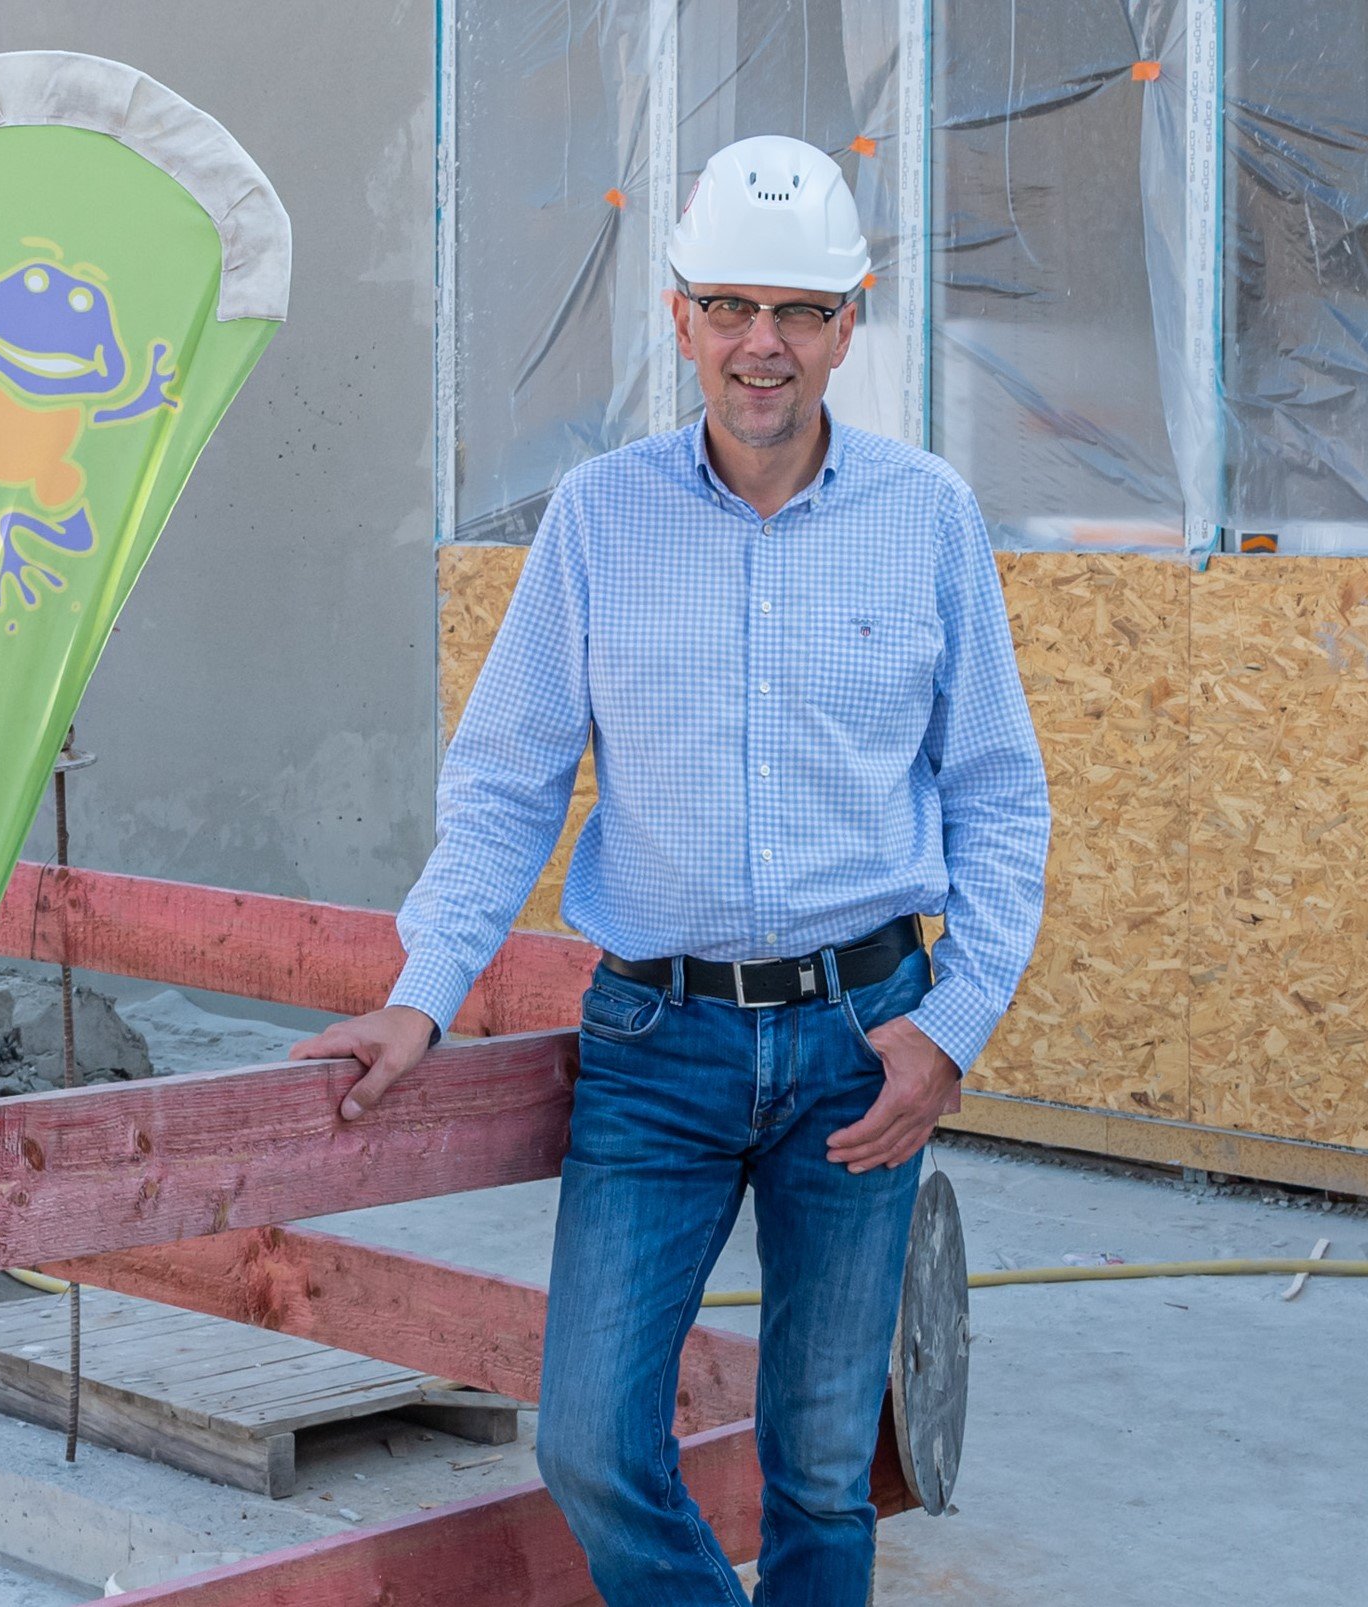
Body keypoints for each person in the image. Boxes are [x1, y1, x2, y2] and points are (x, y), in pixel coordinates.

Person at [294, 134, 1050, 1606]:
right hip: (657, 1044)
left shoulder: (928, 522)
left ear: (852, 321)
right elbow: (506, 786)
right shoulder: (597, 520)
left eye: (800, 312)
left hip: (863, 1040)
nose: (760, 347)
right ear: (680, 311)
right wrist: (420, 995)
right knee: (589, 1441)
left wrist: (953, 1025)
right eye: (728, 308)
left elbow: (998, 799)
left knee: (827, 1463)